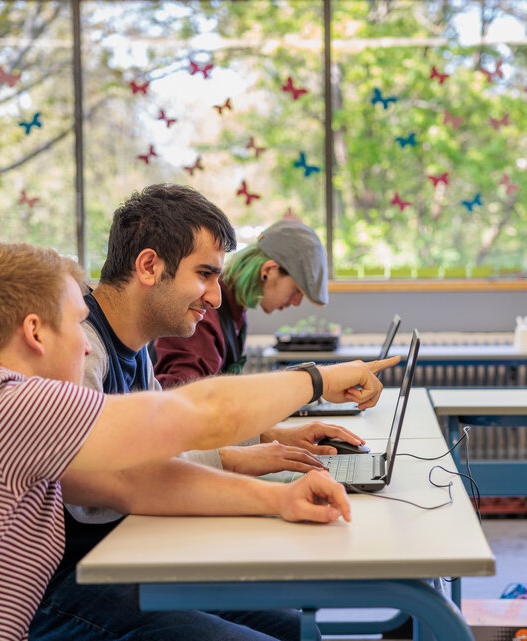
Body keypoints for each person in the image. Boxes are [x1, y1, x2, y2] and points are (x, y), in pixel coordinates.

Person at [0, 242, 395, 641]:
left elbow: (129, 480)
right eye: (76, 325)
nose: (86, 348)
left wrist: (278, 497)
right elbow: (201, 413)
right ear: (35, 332)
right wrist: (320, 378)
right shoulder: (11, 404)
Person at [31, 184, 367, 641]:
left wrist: (245, 465)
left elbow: (155, 451)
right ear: (149, 265)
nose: (214, 295)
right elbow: (111, 479)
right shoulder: (83, 350)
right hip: (66, 585)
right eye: (205, 274)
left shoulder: (138, 346)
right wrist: (311, 388)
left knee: (295, 628)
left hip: (122, 553)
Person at [154, 218, 328, 387]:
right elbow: (184, 397)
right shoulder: (202, 311)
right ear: (269, 270)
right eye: (296, 290)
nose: (297, 302)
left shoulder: (236, 312)